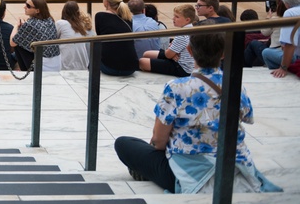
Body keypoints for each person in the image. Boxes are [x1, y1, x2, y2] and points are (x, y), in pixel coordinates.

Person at [114, 32, 281, 194]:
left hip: (189, 171)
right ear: (223, 54)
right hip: (231, 163)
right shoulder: (235, 84)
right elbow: (247, 116)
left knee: (124, 143)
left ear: (190, 50)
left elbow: (158, 141)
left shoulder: (176, 87)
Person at [140, 4, 196, 77]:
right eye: (174, 16)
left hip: (181, 68)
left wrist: (171, 54)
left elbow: (168, 55)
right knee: (147, 53)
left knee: (142, 62)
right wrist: (172, 53)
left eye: (177, 17)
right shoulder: (191, 29)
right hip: (176, 58)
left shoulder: (182, 35)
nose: (173, 18)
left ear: (187, 20)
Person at [10, 0, 61, 72]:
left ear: (37, 10)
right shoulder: (50, 20)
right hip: (56, 63)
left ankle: (25, 71)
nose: (24, 7)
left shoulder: (31, 24)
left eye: (28, 6)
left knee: (18, 45)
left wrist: (16, 26)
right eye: (25, 4)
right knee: (23, 40)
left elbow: (12, 42)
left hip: (42, 66)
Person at [95, 0, 138, 76]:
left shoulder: (100, 16)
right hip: (131, 67)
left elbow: (100, 38)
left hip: (110, 67)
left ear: (106, 1)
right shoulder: (128, 18)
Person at [264, 0, 300, 76]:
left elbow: (290, 43)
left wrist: (283, 67)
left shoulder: (290, 13)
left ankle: (281, 73)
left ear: (285, 3)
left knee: (266, 52)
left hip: (297, 57)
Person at [55, 1, 94, 70]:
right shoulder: (83, 25)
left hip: (65, 65)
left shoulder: (61, 24)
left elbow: (54, 38)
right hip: (84, 65)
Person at [244, 1, 281, 67]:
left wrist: (268, 18)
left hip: (275, 56)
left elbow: (264, 32)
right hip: (282, 54)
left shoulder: (276, 20)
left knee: (253, 43)